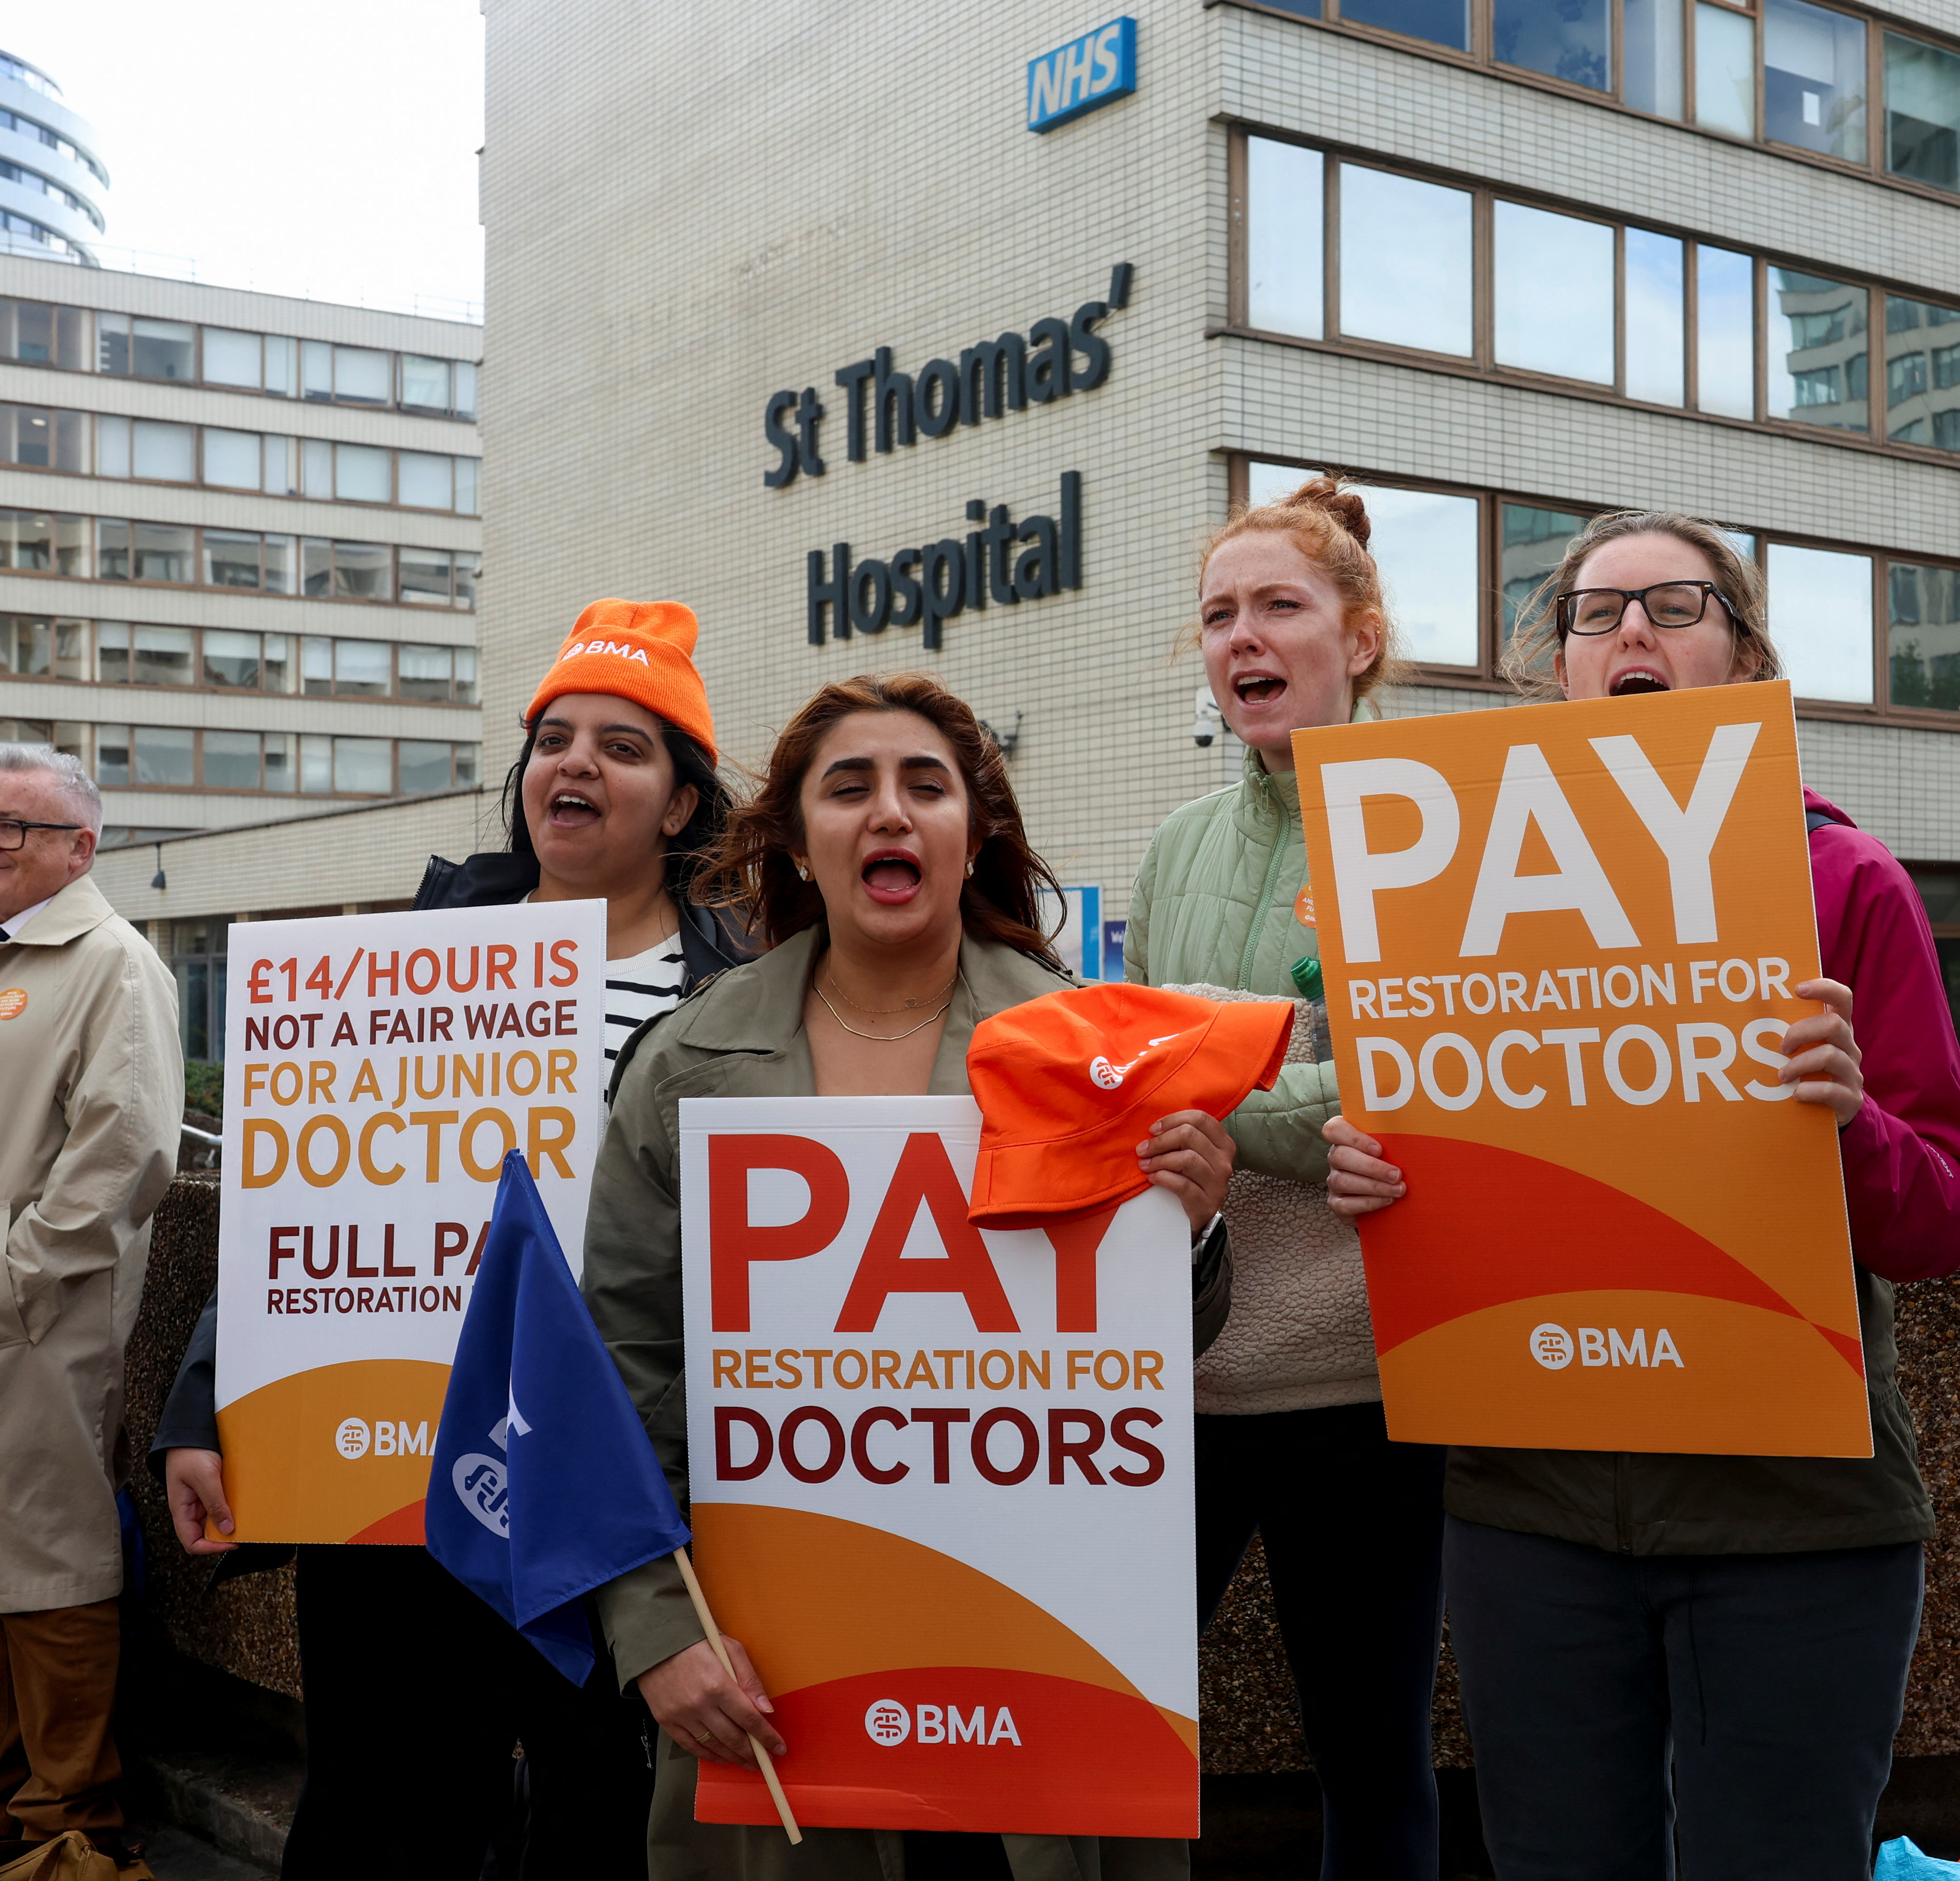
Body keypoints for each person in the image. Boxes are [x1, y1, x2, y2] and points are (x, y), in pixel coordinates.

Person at [1325, 512, 1960, 1880]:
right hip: (1528, 1516)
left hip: (1798, 1523)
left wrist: (1848, 1119)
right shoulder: (1446, 889)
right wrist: (1377, 1174)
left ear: (1742, 659)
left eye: (1673, 605)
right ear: (1556, 670)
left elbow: (1947, 1214)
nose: (1629, 630)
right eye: (1594, 612)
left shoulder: (1842, 879)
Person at [578, 673, 1238, 1881]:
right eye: (849, 787)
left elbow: (1146, 1361)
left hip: (1035, 1661)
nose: (889, 812)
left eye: (924, 786)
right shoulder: (684, 1065)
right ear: (792, 835)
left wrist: (1185, 1229)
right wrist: (658, 1634)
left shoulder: (1094, 1051)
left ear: (971, 832)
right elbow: (616, 1371)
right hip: (774, 1674)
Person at [151, 599, 745, 1879]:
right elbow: (297, 1205)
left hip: (623, 1472)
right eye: (553, 739)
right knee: (383, 1814)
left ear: (683, 803)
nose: (574, 765)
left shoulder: (745, 998)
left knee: (599, 1818)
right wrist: (206, 1403)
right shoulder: (408, 961)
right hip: (399, 1468)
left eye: (623, 747)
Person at [1127, 476, 1440, 1880]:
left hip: (1367, 1382)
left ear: (1358, 639)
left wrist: (1219, 1113)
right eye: (1216, 613)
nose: (1239, 636)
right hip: (1177, 1375)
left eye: (1277, 606)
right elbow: (1128, 1075)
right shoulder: (1174, 844)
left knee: (1368, 1748)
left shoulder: (1439, 823)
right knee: (1126, 1728)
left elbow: (1428, 1089)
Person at [0, 744, 178, 1881]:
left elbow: (127, 1152)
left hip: (43, 1315)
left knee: (50, 1553)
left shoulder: (112, 959)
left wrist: (12, 1274)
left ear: (82, 846)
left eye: (14, 826)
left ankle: (66, 1814)